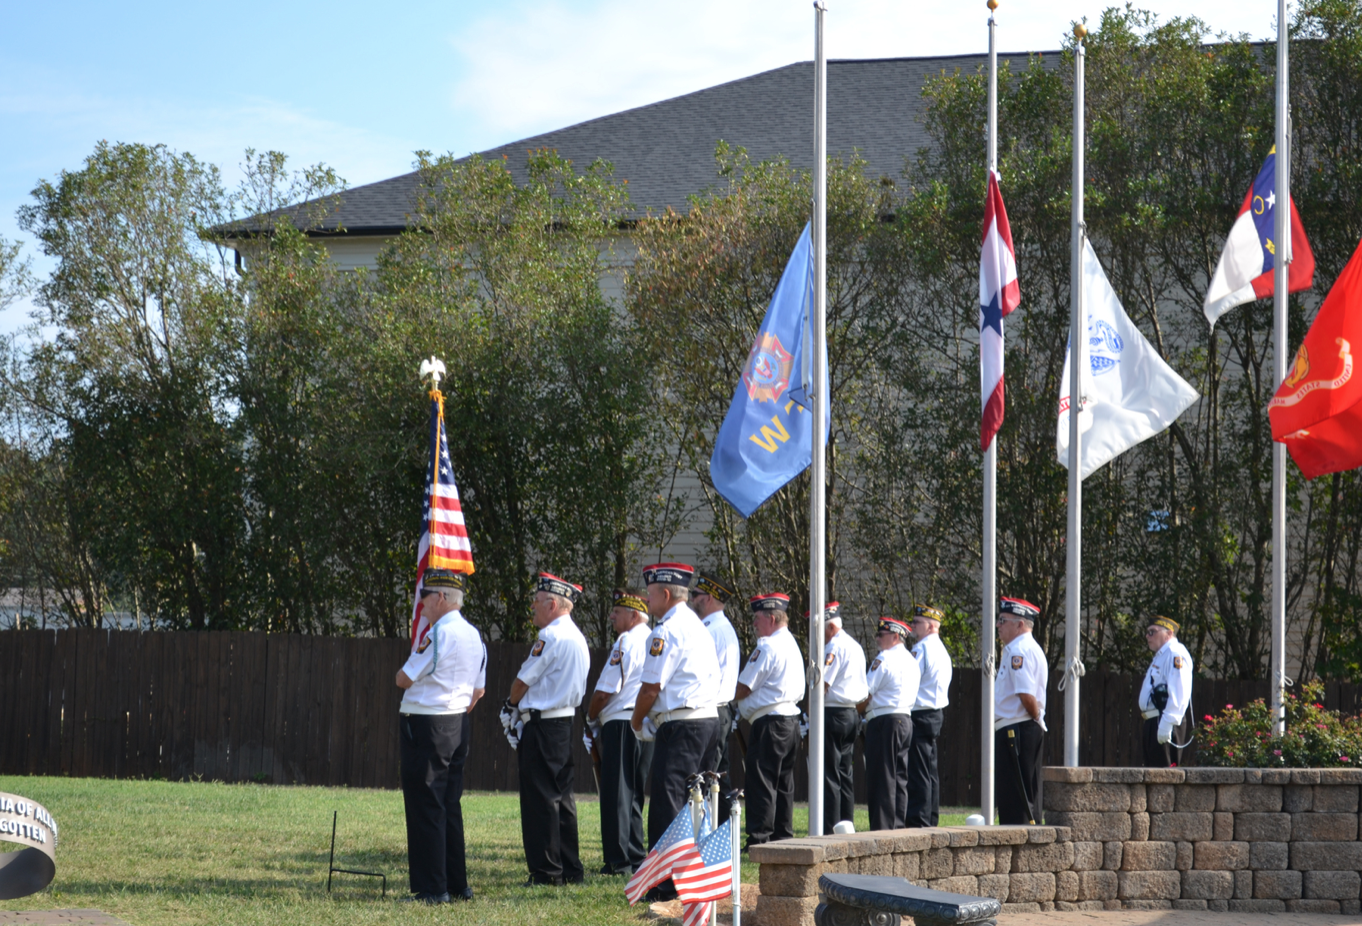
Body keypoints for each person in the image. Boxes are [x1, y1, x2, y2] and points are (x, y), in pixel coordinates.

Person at [630, 562, 721, 902]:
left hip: (681, 725)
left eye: (651, 594)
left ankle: (666, 884)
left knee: (669, 803)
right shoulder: (699, 627)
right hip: (707, 721)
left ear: (665, 594)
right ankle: (699, 876)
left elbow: (651, 688)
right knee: (700, 803)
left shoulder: (665, 631)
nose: (648, 601)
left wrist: (636, 722)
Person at [395, 568, 486, 904]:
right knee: (448, 804)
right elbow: (479, 690)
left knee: (425, 805)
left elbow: (404, 678)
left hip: (428, 725)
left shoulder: (439, 634)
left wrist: (402, 675)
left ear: (441, 598)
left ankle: (433, 888)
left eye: (424, 597)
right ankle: (456, 883)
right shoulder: (475, 635)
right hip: (457, 722)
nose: (421, 605)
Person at [504, 572, 590, 886]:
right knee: (562, 799)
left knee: (540, 800)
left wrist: (510, 706)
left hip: (542, 726)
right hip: (563, 724)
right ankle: (569, 868)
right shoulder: (579, 637)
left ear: (552, 604)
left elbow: (523, 681)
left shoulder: (550, 636)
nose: (533, 607)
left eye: (538, 601)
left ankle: (546, 872)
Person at [585, 588, 653, 875]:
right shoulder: (653, 640)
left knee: (616, 793)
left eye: (618, 612)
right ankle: (636, 855)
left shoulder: (626, 641)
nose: (611, 616)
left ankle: (618, 861)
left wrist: (590, 718)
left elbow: (604, 691)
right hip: (644, 724)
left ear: (634, 615)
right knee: (635, 792)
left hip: (621, 723)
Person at [735, 592, 805, 848]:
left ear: (772, 619)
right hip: (790, 722)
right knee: (784, 783)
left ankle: (760, 839)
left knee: (762, 782)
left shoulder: (768, 646)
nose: (754, 624)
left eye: (757, 618)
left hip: (770, 723)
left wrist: (722, 694)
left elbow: (744, 687)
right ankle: (782, 836)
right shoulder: (792, 645)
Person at [857, 617, 920, 832]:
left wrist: (857, 709)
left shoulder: (883, 659)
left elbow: (865, 692)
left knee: (881, 778)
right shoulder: (912, 661)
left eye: (881, 635)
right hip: (905, 720)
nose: (877, 639)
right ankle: (897, 827)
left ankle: (882, 830)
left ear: (895, 637)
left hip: (884, 722)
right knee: (899, 778)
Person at [994, 596, 1047, 825]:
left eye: (1003, 620)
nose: (998, 625)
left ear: (1020, 624)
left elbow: (1026, 695)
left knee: (1018, 800)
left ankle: (1021, 852)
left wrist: (1035, 716)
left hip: (1017, 728)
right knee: (1019, 795)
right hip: (1017, 726)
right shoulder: (1018, 649)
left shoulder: (1020, 651)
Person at [693, 572, 741, 798]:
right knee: (718, 779)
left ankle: (710, 831)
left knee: (707, 780)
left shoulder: (710, 631)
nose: (693, 600)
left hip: (712, 711)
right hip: (721, 711)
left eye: (696, 595)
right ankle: (722, 831)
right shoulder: (722, 628)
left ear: (709, 598)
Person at [820, 602, 867, 832]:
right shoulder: (855, 645)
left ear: (829, 627)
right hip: (851, 713)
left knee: (830, 773)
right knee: (845, 773)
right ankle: (847, 822)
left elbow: (822, 684)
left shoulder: (834, 647)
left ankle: (831, 826)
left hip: (834, 713)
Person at [906, 603, 953, 827]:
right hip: (935, 712)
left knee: (918, 772)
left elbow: (909, 679)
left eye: (917, 622)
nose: (913, 626)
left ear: (932, 626)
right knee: (929, 770)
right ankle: (930, 817)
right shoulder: (941, 650)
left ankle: (919, 820)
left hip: (920, 713)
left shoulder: (921, 649)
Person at [1139, 616, 1193, 768]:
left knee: (1164, 780)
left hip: (1165, 722)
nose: (1147, 636)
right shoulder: (1162, 656)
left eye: (1152, 632)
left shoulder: (1175, 654)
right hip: (1153, 722)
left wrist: (1167, 723)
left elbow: (1179, 691)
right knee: (1152, 777)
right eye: (1147, 632)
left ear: (1169, 634)